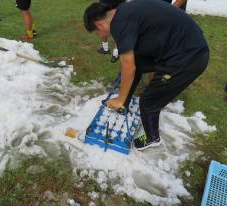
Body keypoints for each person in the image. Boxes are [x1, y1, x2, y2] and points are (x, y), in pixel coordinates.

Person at [83, 0, 209, 150]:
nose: (100, 35)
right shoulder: (124, 10)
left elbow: (128, 67)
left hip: (188, 58)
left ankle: (152, 138)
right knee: (137, 62)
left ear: (99, 25)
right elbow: (130, 62)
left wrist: (120, 97)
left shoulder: (119, 25)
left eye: (98, 33)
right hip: (184, 45)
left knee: (148, 101)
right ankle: (124, 104)